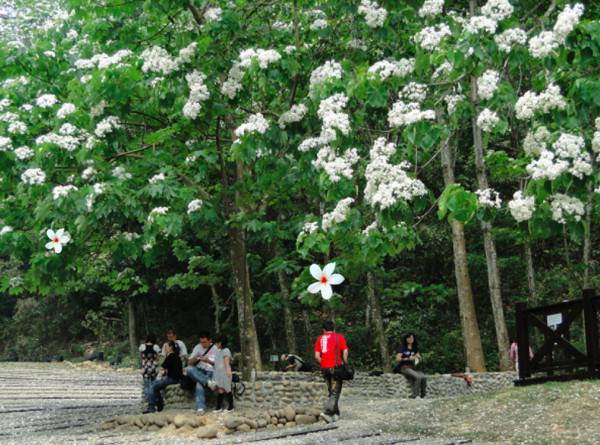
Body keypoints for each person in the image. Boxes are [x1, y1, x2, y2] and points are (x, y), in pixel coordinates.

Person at [314, 320, 348, 423]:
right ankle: (326, 412)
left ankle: (335, 414)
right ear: (334, 329)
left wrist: (323, 362)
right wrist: (343, 363)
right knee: (335, 392)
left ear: (324, 330)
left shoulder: (319, 339)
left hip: (324, 368)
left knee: (331, 391)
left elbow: (316, 356)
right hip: (335, 367)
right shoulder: (339, 337)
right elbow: (345, 351)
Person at [144, 340, 183, 413]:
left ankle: (152, 406)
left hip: (173, 379)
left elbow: (163, 366)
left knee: (153, 386)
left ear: (171, 347)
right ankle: (159, 404)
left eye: (166, 347)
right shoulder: (175, 356)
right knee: (154, 383)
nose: (165, 349)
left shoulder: (171, 356)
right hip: (174, 378)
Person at [185, 330, 218, 414]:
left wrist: (207, 361)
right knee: (189, 369)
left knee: (199, 383)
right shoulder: (197, 347)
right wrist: (195, 357)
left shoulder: (215, 349)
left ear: (210, 340)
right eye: (201, 342)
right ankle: (208, 382)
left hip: (210, 371)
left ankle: (200, 407)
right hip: (198, 370)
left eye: (205, 342)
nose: (203, 344)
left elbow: (218, 365)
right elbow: (189, 363)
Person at [396, 332, 427, 399]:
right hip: (405, 367)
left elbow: (420, 360)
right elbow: (397, 359)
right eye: (409, 338)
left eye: (412, 338)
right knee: (418, 377)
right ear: (406, 339)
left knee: (423, 377)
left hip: (413, 367)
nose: (410, 339)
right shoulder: (403, 348)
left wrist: (419, 357)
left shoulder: (414, 348)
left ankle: (423, 395)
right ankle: (415, 395)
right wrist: (408, 358)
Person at [212, 333, 234, 413]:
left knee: (227, 389)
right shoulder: (221, 351)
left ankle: (231, 407)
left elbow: (226, 360)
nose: (215, 344)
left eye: (216, 342)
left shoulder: (226, 350)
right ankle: (218, 408)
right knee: (220, 389)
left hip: (225, 374)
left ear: (220, 343)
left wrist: (228, 371)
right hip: (220, 375)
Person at [139, 332, 160, 403]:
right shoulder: (156, 347)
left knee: (146, 386)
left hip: (145, 366)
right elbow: (157, 358)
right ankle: (154, 399)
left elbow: (141, 356)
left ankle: (148, 401)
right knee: (153, 384)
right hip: (153, 366)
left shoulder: (142, 346)